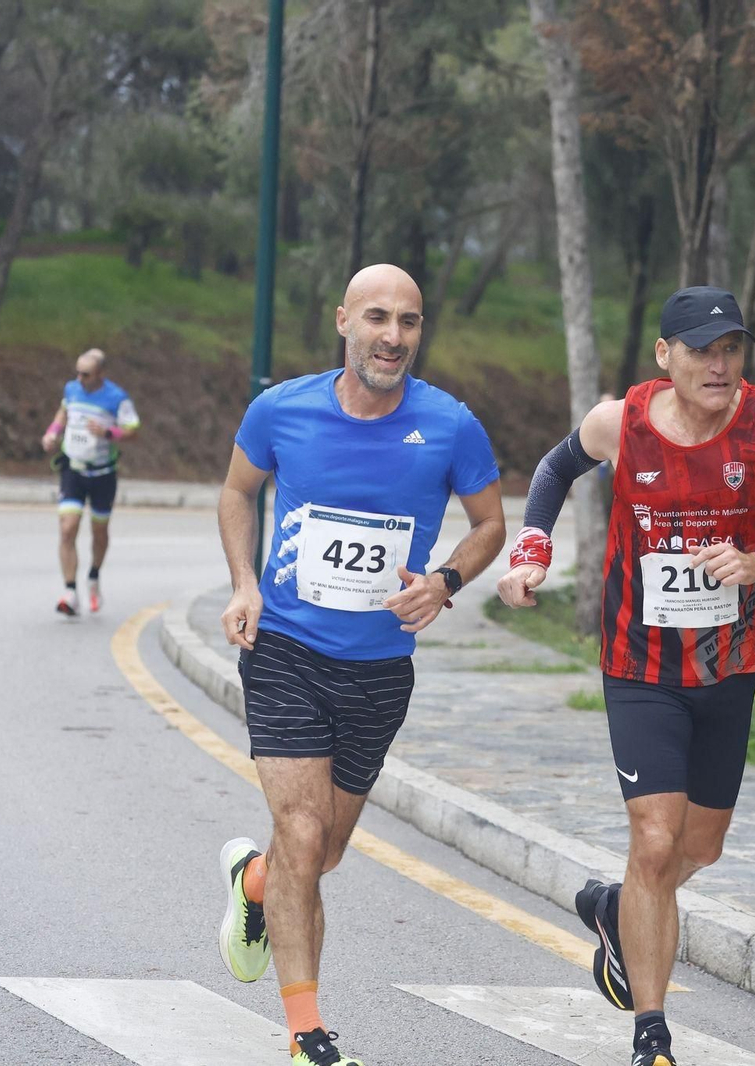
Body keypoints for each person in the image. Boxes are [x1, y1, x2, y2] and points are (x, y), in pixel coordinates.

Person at [496, 286, 755, 1066]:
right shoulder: (622, 422)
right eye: (701, 350)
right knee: (653, 841)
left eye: (731, 350)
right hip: (640, 666)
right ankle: (652, 1034)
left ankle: (619, 912)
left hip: (728, 665)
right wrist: (532, 550)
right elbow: (552, 472)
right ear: (665, 355)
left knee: (699, 848)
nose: (719, 365)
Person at [214, 264, 506, 1066]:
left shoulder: (450, 425)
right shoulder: (282, 408)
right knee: (301, 834)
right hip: (286, 652)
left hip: (379, 668)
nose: (393, 336)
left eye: (409, 322)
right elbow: (239, 491)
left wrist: (445, 581)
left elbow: (489, 525)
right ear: (342, 319)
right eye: (378, 317)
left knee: (323, 854)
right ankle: (308, 1031)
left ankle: (254, 886)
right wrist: (246, 583)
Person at [39, 347, 140, 615]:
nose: (80, 379)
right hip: (73, 470)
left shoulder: (117, 397)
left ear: (101, 374)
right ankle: (70, 591)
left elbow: (133, 431)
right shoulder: (71, 389)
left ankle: (93, 576)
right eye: (78, 373)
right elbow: (62, 415)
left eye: (86, 374)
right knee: (68, 527)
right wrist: (51, 434)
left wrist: (109, 432)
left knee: (98, 531)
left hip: (103, 474)